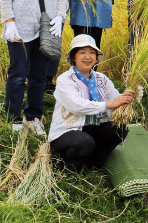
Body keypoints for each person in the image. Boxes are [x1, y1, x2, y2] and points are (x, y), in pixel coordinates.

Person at [0, 0, 67, 134]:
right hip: (20, 30)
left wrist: (60, 16)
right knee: (18, 74)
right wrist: (9, 23)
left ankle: (33, 117)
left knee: (39, 76)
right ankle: (14, 118)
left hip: (45, 30)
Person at [48, 34, 132, 171]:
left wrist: (129, 96)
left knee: (120, 129)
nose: (88, 57)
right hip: (68, 132)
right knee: (83, 142)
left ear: (96, 57)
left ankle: (93, 164)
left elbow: (116, 98)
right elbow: (76, 105)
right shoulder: (65, 80)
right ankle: (68, 170)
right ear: (74, 57)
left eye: (92, 52)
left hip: (93, 127)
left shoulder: (101, 79)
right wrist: (108, 104)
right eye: (82, 52)